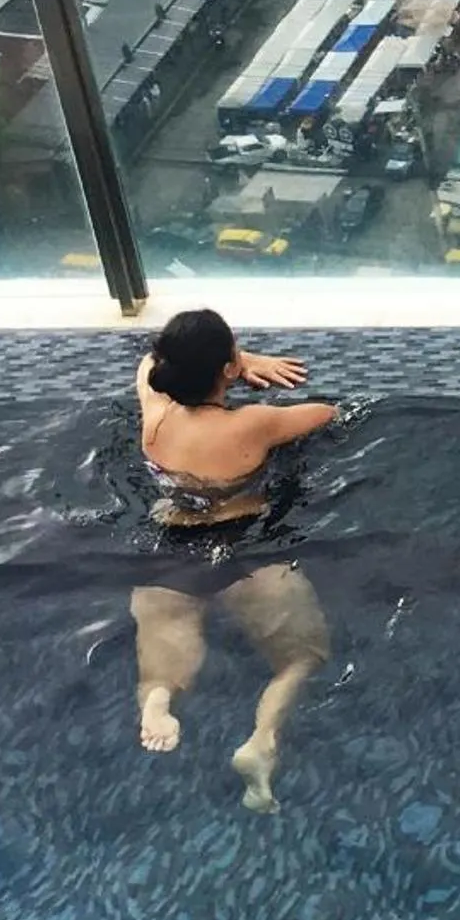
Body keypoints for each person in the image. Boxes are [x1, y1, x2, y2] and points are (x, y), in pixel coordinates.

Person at [130, 309, 337, 812]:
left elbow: (145, 366)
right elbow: (325, 413)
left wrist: (233, 362)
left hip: (169, 548)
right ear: (226, 369)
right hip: (245, 547)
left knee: (161, 666)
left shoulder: (155, 417)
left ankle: (158, 704)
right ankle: (262, 739)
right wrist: (247, 366)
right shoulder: (254, 423)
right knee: (301, 658)